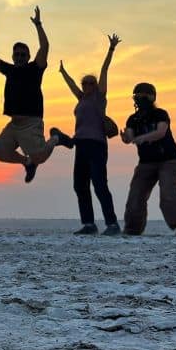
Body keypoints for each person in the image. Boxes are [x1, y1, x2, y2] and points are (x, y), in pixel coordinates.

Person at [0, 6, 59, 183]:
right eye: (17, 54)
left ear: (29, 56)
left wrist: (38, 24)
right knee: (0, 152)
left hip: (31, 123)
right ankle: (28, 162)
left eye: (23, 54)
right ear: (13, 56)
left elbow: (45, 46)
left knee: (40, 156)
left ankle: (56, 138)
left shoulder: (35, 68)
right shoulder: (10, 70)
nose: (20, 56)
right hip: (14, 125)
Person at [54, 34, 122, 235]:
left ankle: (112, 224)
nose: (88, 85)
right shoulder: (81, 98)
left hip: (97, 145)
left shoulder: (99, 98)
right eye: (85, 83)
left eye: (91, 83)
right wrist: (62, 72)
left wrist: (111, 49)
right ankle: (89, 224)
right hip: (81, 145)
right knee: (80, 185)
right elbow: (71, 85)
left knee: (100, 184)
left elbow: (104, 70)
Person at [120, 83, 176, 237]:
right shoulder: (133, 119)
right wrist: (126, 138)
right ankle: (132, 229)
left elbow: (161, 132)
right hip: (146, 162)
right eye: (137, 96)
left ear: (152, 97)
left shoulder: (160, 114)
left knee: (167, 189)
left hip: (169, 160)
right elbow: (130, 137)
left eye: (143, 95)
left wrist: (142, 138)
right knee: (136, 193)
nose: (139, 99)